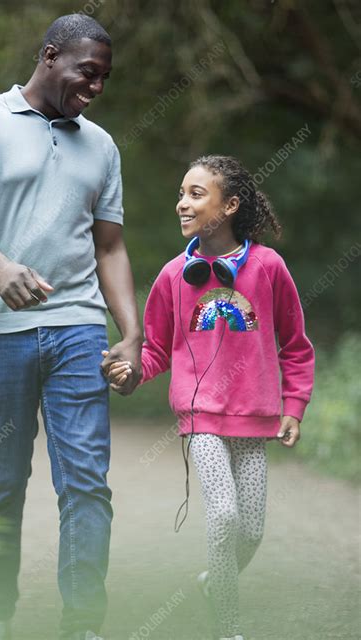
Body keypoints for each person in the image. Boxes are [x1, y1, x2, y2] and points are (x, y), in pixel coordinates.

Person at [0, 14, 142, 640]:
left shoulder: (101, 146)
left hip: (78, 326)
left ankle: (84, 624)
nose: (96, 87)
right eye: (88, 72)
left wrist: (129, 333)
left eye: (105, 77)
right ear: (50, 55)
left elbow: (109, 247)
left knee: (85, 479)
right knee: (1, 479)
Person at [103, 155, 315, 640]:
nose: (182, 203)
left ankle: (210, 583)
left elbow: (296, 346)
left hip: (255, 418)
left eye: (196, 194)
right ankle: (228, 628)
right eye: (181, 193)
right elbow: (154, 348)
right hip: (200, 418)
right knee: (223, 514)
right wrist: (131, 373)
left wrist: (294, 407)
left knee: (251, 531)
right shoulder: (174, 275)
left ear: (231, 205)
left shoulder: (268, 267)